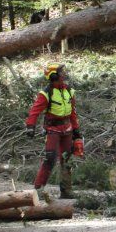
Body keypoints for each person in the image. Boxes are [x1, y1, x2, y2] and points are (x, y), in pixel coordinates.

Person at [26, 63, 83, 198]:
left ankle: (66, 191)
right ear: (54, 76)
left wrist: (76, 130)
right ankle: (38, 190)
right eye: (61, 72)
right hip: (52, 130)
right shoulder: (46, 93)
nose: (64, 74)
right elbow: (35, 111)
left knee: (67, 159)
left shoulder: (69, 91)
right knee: (50, 158)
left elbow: (72, 113)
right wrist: (30, 126)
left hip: (67, 129)